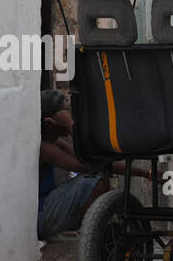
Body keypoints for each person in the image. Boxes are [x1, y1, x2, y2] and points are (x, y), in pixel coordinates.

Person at [38, 89, 154, 240]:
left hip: (46, 209)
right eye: (66, 113)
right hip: (38, 218)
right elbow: (87, 166)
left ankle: (97, 235)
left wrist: (147, 174)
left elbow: (93, 159)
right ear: (50, 122)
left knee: (98, 175)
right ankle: (95, 239)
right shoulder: (43, 147)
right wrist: (70, 125)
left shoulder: (55, 142)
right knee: (90, 183)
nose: (71, 116)